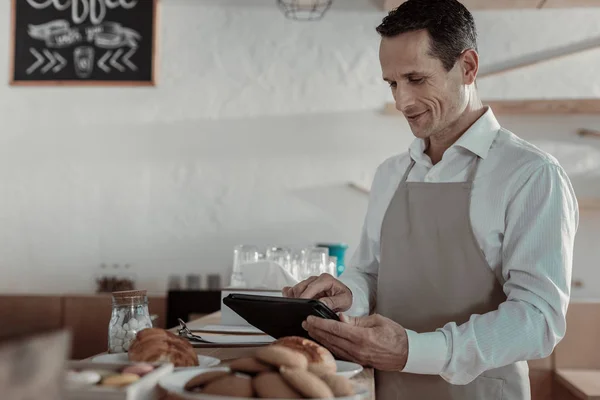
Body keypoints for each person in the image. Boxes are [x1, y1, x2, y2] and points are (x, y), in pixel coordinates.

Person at [282, 0, 579, 398]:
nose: (402, 101)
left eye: (416, 79)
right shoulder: (391, 173)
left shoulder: (531, 175)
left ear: (468, 67)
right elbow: (372, 272)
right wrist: (350, 292)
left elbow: (539, 320)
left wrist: (412, 350)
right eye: (392, 83)